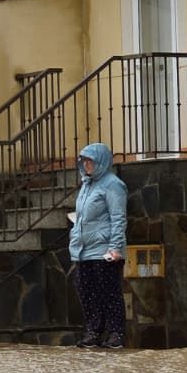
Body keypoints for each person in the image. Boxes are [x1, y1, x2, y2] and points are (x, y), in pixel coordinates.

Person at [69, 142, 127, 350]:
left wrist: (115, 248)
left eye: (90, 161)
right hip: (84, 250)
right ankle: (94, 330)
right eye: (83, 161)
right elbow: (82, 217)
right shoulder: (87, 185)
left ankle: (116, 332)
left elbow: (118, 218)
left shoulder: (113, 185)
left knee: (109, 292)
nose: (86, 165)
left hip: (104, 250)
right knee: (86, 291)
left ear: (100, 161)